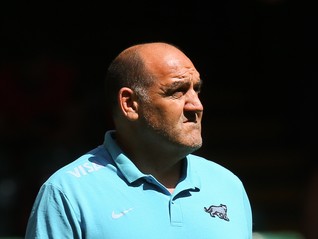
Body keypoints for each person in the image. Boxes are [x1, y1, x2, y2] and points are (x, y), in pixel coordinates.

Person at [24, 42, 253, 238]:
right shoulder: (69, 192)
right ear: (130, 104)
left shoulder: (228, 185)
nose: (196, 105)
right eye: (177, 91)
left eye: (197, 90)